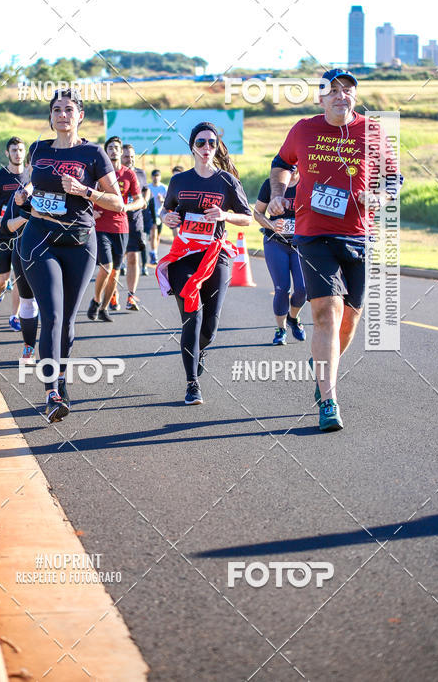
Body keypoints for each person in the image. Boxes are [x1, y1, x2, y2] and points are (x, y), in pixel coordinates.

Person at [268, 68, 399, 432]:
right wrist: (278, 194)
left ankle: (322, 364)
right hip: (314, 234)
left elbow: (393, 177)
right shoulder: (303, 129)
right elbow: (281, 164)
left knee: (349, 321)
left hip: (358, 235)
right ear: (321, 98)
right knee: (327, 312)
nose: (342, 95)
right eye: (334, 90)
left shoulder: (373, 131)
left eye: (348, 90)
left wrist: (381, 196)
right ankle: (328, 400)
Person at [19, 89, 123, 422]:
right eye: (56, 110)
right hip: (39, 238)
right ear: (50, 117)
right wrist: (24, 193)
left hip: (79, 242)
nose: (62, 115)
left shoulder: (93, 153)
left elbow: (118, 202)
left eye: (68, 109)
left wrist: (85, 191)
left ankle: (61, 377)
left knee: (67, 320)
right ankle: (51, 393)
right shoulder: (39, 149)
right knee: (51, 315)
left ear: (80, 116)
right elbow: (32, 183)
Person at [158, 122, 252, 405]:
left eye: (211, 142)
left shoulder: (227, 181)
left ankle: (199, 351)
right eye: (201, 142)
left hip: (215, 254)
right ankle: (192, 384)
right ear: (192, 147)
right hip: (184, 255)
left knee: (209, 327)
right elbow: (166, 210)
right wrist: (166, 218)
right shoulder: (179, 181)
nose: (206, 147)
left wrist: (225, 215)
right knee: (193, 316)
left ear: (216, 147)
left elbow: (247, 218)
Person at [87, 136, 142, 321]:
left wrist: (126, 207)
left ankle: (104, 308)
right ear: (106, 151)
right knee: (106, 266)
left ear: (121, 151)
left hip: (121, 227)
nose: (113, 151)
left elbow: (140, 200)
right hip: (101, 225)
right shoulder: (98, 173)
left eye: (116, 148)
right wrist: (91, 212)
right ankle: (96, 300)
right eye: (110, 148)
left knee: (115, 272)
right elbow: (84, 194)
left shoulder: (129, 174)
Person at [254, 169, 307, 345]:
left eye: (296, 162)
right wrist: (271, 224)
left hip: (301, 245)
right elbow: (257, 213)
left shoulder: (308, 183)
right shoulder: (270, 184)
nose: (293, 167)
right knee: (282, 288)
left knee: (303, 289)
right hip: (276, 243)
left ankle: (293, 317)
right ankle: (281, 329)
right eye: (288, 163)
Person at [0, 138, 27, 329]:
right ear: (7, 153)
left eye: (21, 150)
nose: (18, 153)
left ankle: (14, 316)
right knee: (3, 278)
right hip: (1, 234)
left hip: (23, 234)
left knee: (19, 277)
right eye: (14, 150)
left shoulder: (31, 177)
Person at [0, 162, 38, 365]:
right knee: (28, 301)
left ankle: (55, 351)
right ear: (30, 167)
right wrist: (25, 217)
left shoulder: (62, 192)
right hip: (23, 252)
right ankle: (28, 347)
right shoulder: (20, 194)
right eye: (37, 164)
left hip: (55, 254)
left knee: (53, 306)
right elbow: (6, 226)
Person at [121, 143, 149, 306]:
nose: (129, 159)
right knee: (115, 263)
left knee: (133, 258)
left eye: (132, 156)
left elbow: (146, 189)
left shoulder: (140, 173)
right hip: (116, 222)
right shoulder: (113, 174)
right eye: (126, 156)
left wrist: (145, 199)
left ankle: (131, 296)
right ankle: (112, 294)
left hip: (135, 222)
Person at [147, 169, 166, 263]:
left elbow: (169, 201)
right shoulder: (148, 187)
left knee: (158, 236)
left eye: (157, 176)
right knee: (153, 233)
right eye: (154, 176)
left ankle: (154, 252)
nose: (156, 178)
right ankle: (153, 253)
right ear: (152, 177)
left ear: (160, 177)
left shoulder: (164, 188)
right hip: (151, 214)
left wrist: (162, 200)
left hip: (160, 214)